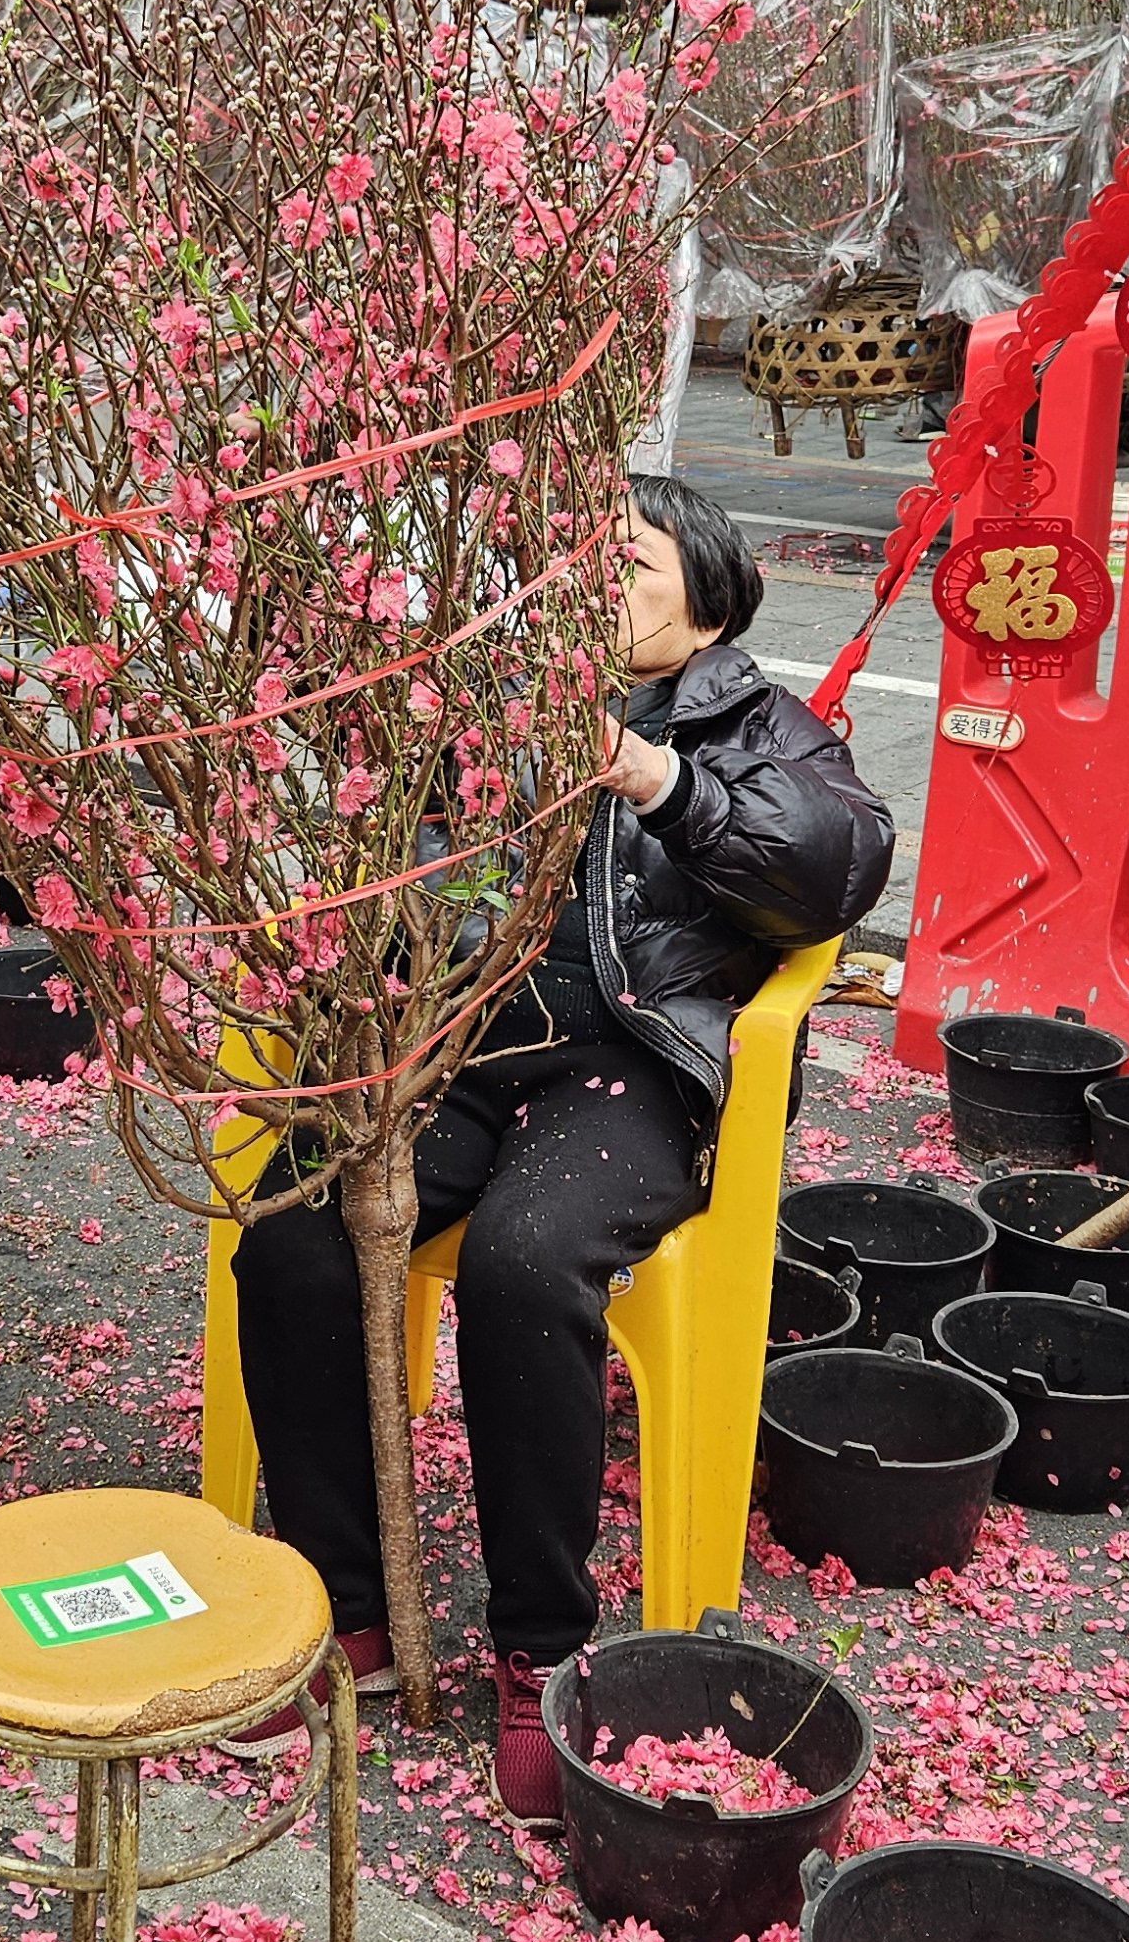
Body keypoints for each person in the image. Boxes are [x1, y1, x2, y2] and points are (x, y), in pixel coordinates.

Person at [232, 473, 894, 1829]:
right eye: (579, 559)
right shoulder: (494, 707)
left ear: (708, 597)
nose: (597, 582)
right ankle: (344, 1604)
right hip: (459, 1045)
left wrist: (653, 776)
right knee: (293, 1232)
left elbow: (834, 867)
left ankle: (543, 1649)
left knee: (528, 1265)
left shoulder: (757, 724)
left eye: (632, 561)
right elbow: (394, 853)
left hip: (632, 1068)